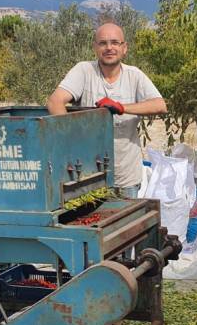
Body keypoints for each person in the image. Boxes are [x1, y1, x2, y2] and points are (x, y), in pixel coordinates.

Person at [46, 22, 166, 198]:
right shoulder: (84, 71)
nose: (109, 48)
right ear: (95, 47)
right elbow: (55, 101)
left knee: (126, 223)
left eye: (115, 43)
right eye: (103, 43)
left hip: (126, 175)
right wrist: (73, 140)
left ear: (124, 48)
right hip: (88, 175)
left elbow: (160, 105)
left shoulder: (134, 75)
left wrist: (122, 108)